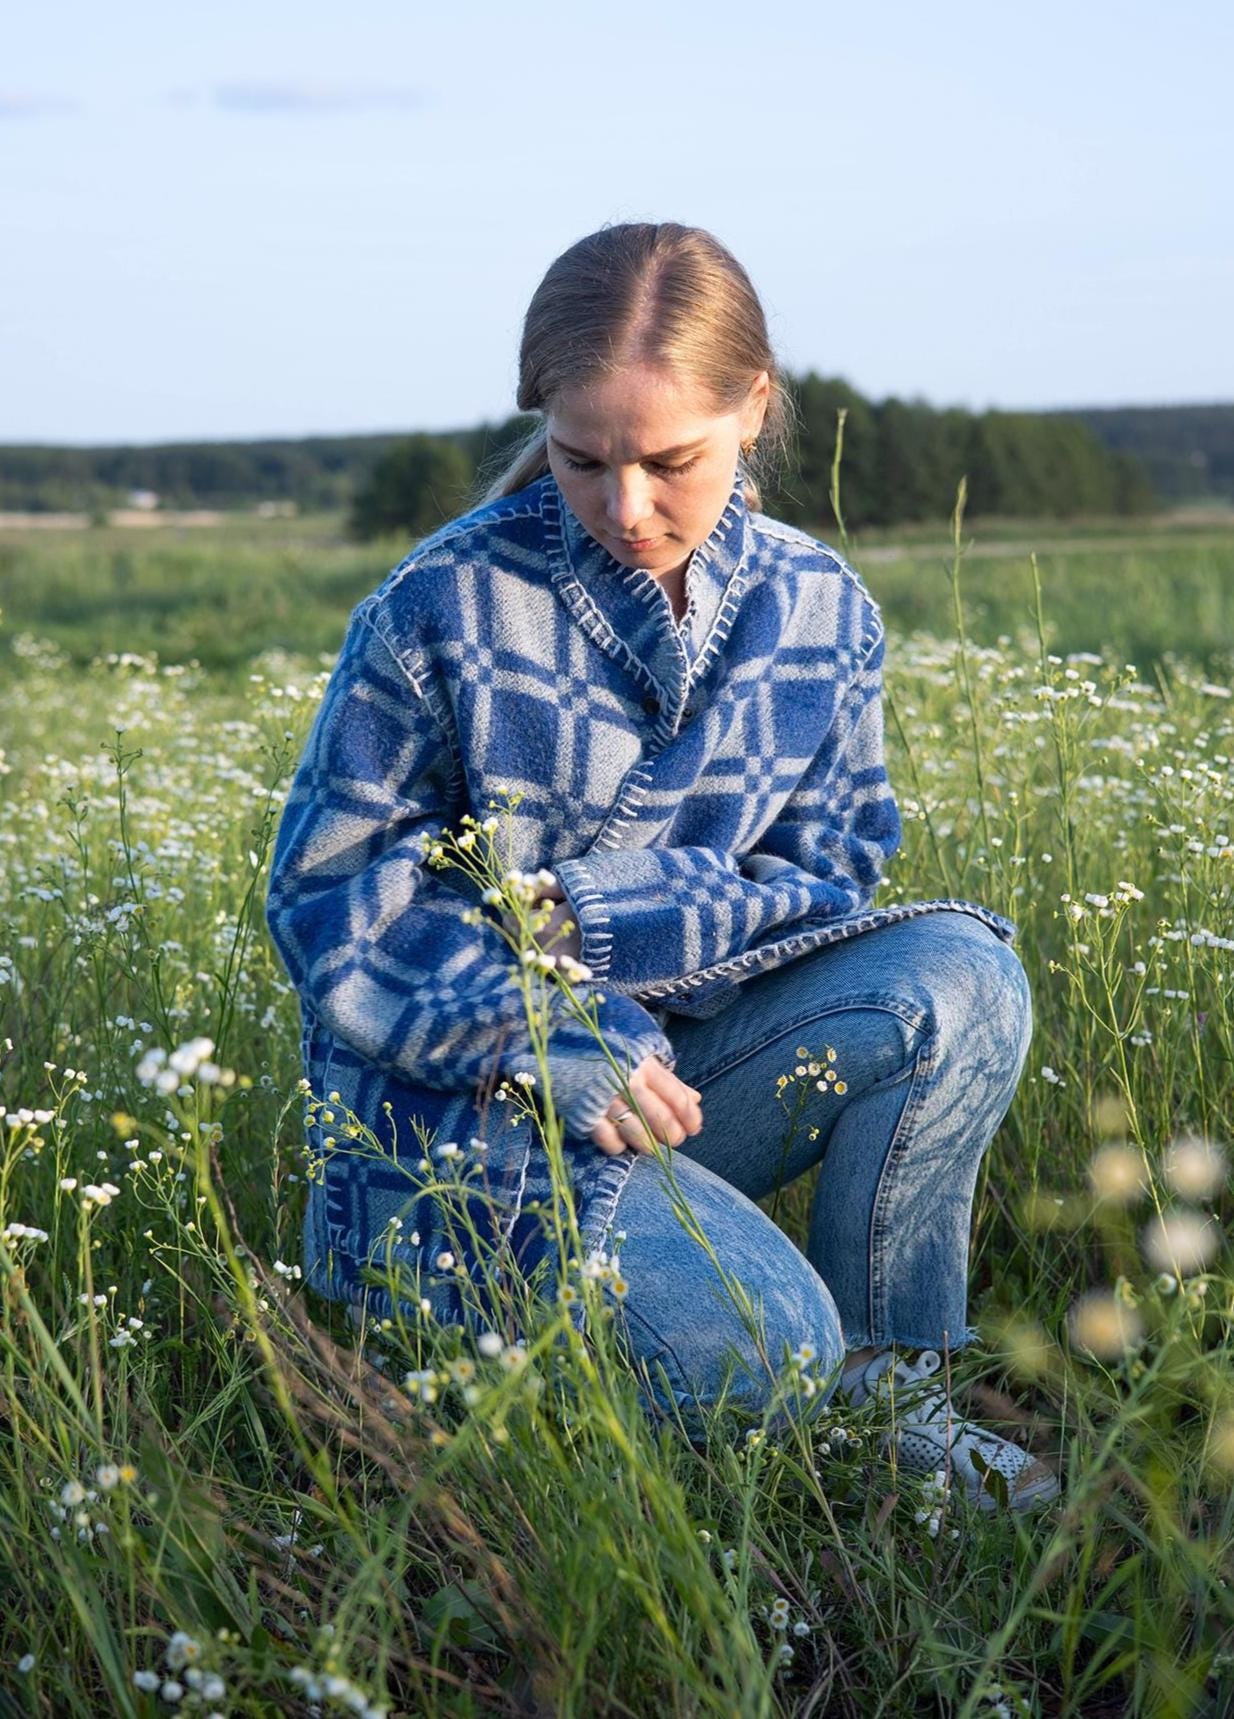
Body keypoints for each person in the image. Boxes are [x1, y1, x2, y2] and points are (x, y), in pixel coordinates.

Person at [265, 220, 1059, 1512]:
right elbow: (331, 900)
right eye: (582, 462)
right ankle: (491, 1360)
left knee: (962, 973)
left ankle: (892, 1380)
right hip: (472, 1126)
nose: (626, 509)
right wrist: (550, 1031)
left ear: (752, 409)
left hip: (686, 1089)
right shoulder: (440, 606)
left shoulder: (817, 607)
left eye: (669, 462)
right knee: (763, 1351)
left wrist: (604, 915)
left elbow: (836, 867)